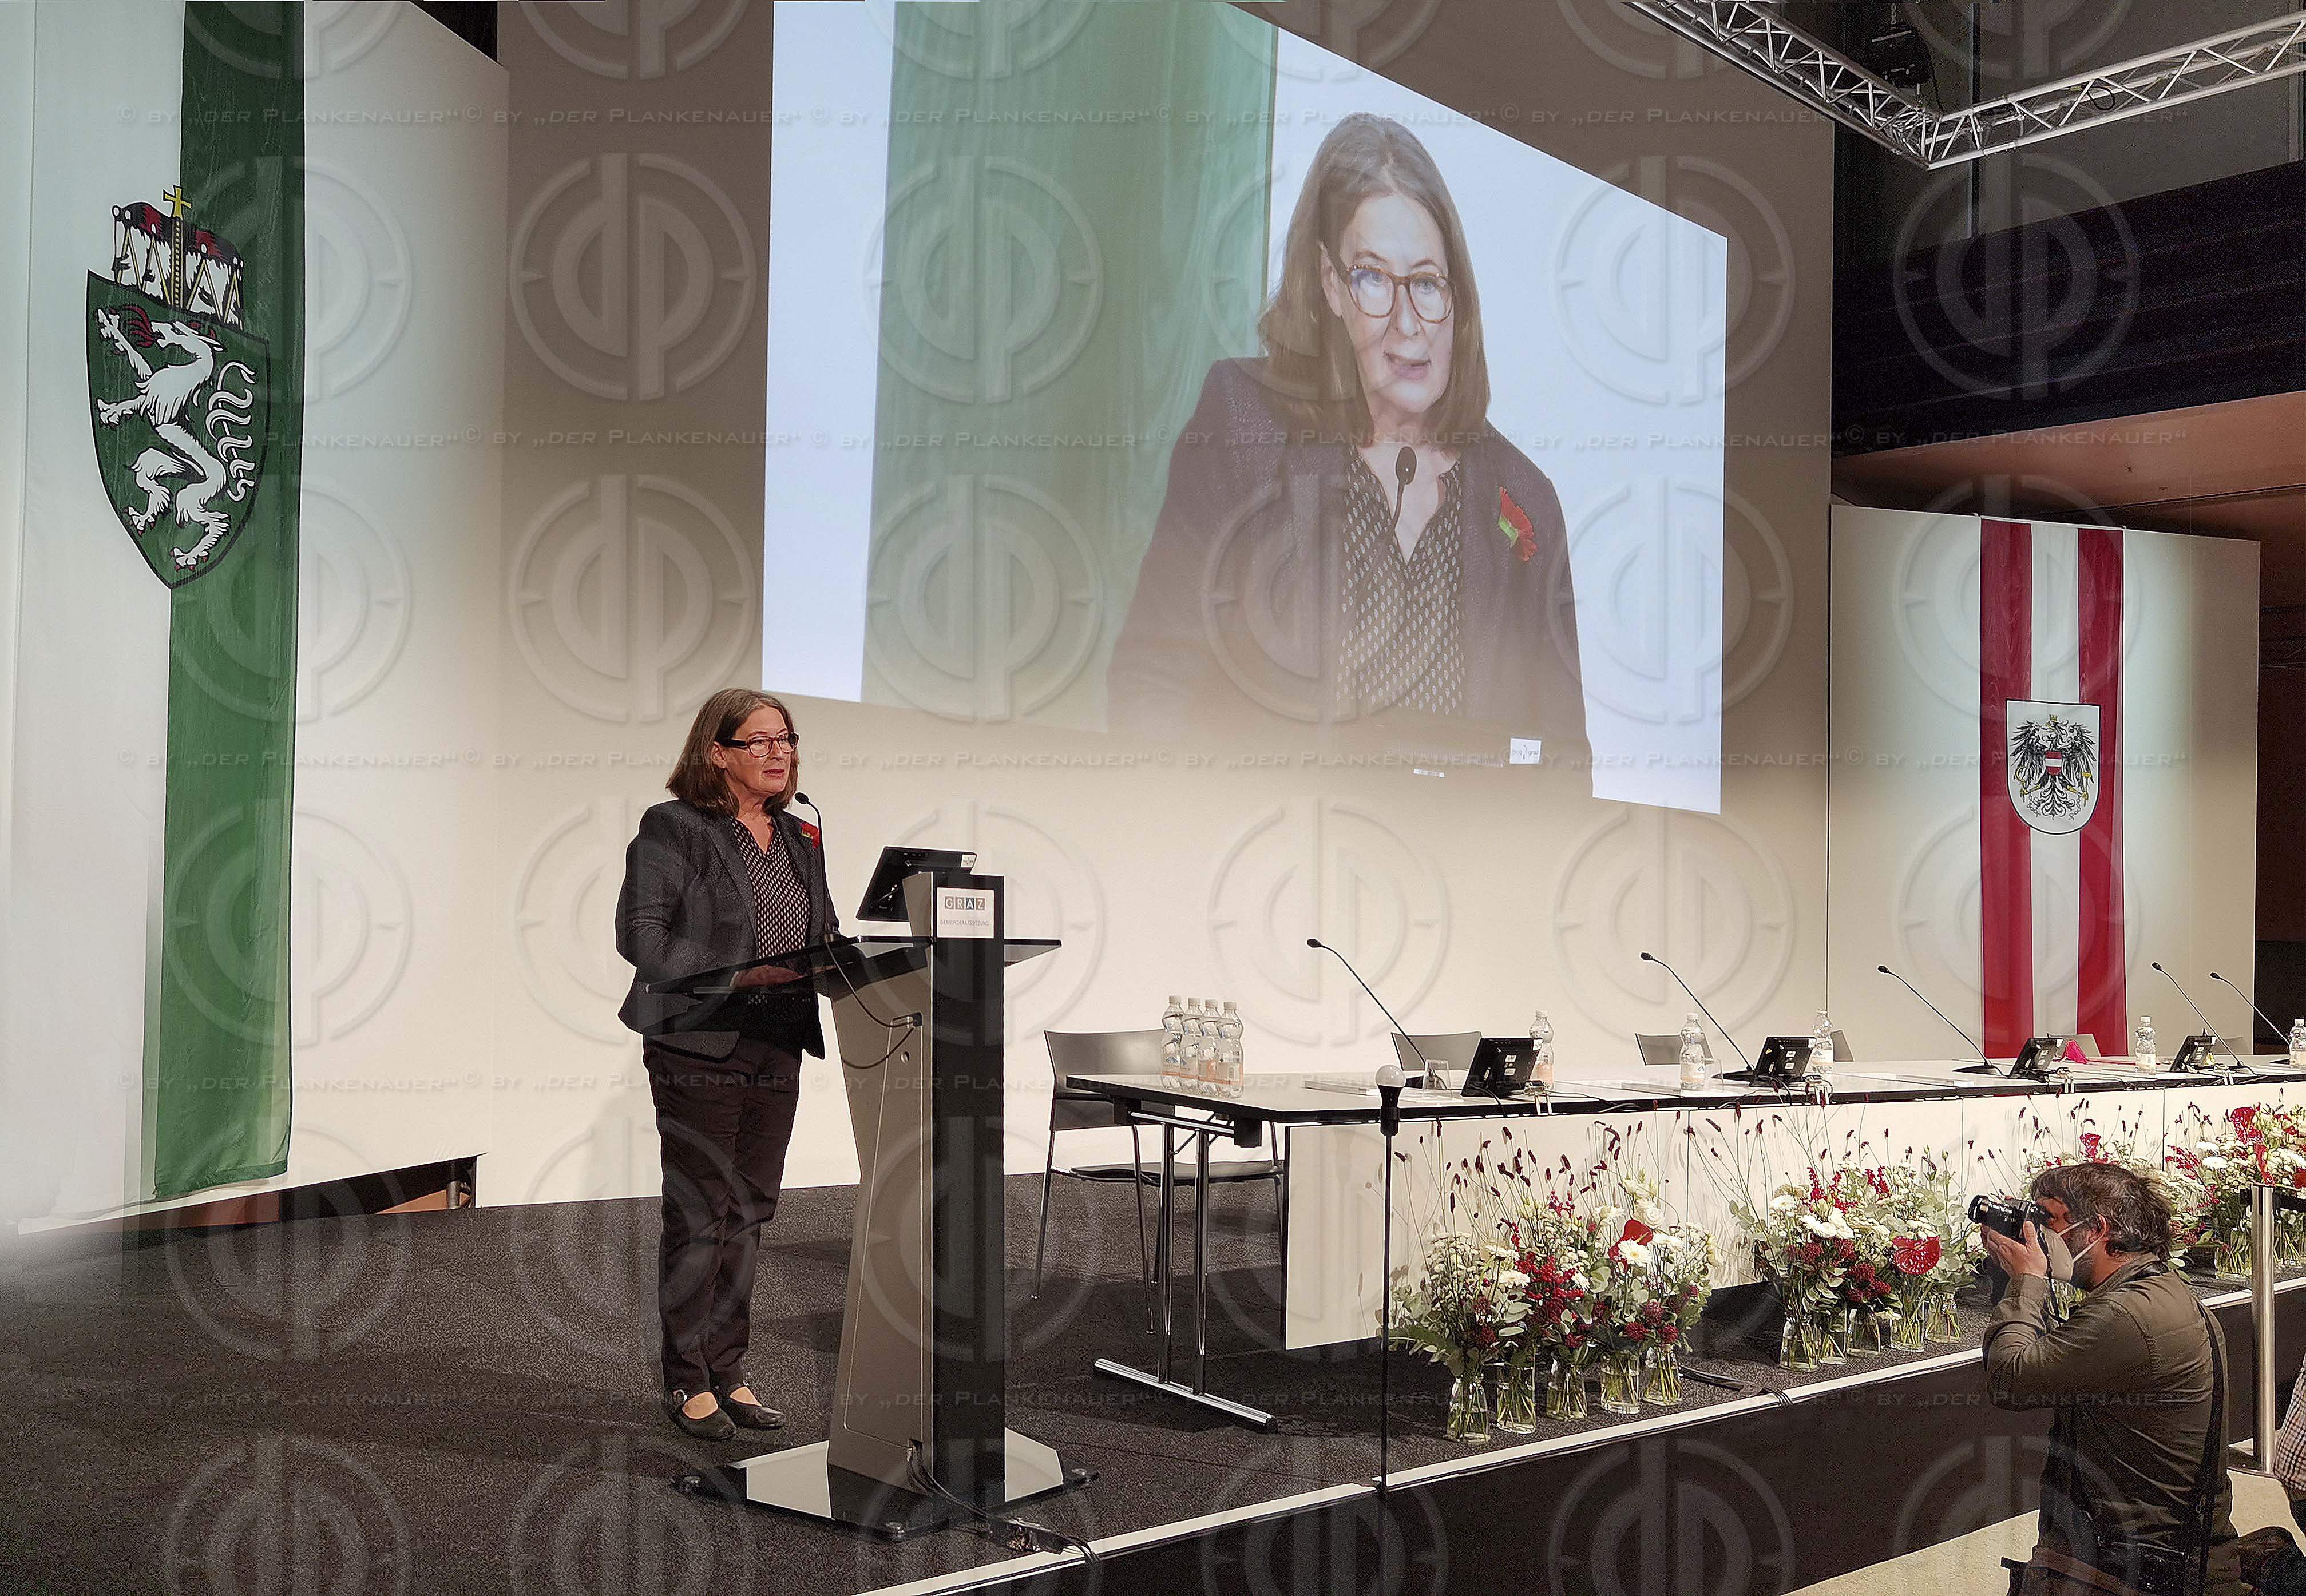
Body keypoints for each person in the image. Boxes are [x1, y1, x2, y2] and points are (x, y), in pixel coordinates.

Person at [1108, 112, 1584, 741]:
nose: (1407, 323)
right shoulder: (1244, 424)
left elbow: (1561, 769)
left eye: (1425, 283)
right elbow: (1152, 683)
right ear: (1331, 284)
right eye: (1372, 279)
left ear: (1457, 296)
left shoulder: (1525, 501)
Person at [615, 688, 839, 1440]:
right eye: (760, 741)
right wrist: (744, 972)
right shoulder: (674, 827)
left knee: (748, 1211)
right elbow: (643, 938)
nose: (779, 753)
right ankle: (687, 1380)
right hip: (698, 1042)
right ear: (716, 751)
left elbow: (822, 932)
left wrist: (869, 965)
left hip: (777, 1040)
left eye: (787, 739)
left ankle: (728, 1368)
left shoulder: (801, 832)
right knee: (700, 1211)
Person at [1981, 1162, 2248, 1596]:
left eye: (2047, 1220)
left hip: (2131, 1569)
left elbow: (2011, 1379)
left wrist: (2027, 1282)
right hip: (2149, 1555)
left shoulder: (2127, 1315)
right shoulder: (2154, 1290)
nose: (2038, 1235)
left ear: (2097, 1229)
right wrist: (2011, 1280)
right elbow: (2055, 1357)